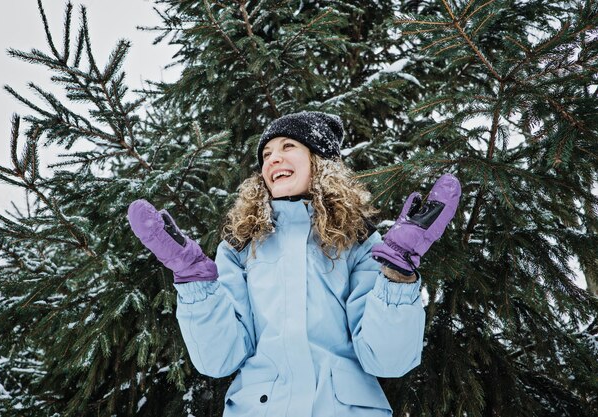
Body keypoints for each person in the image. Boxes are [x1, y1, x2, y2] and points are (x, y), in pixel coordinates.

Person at [128, 111, 461, 417]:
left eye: (288, 146)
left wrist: (397, 271)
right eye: (266, 154)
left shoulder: (359, 242)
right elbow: (220, 359)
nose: (274, 157)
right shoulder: (241, 247)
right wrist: (193, 278)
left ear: (320, 161)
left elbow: (388, 359)